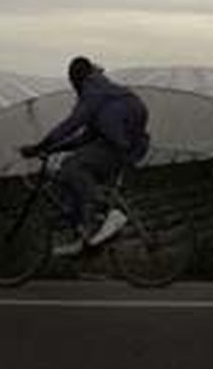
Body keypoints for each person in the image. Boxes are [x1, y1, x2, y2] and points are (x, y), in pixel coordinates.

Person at [19, 56, 150, 254]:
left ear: (77, 77)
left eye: (72, 79)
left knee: (72, 167)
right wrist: (53, 148)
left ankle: (102, 216)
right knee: (73, 177)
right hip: (124, 144)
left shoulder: (93, 91)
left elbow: (73, 124)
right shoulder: (103, 92)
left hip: (120, 147)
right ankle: (84, 236)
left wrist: (41, 146)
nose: (73, 85)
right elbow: (85, 137)